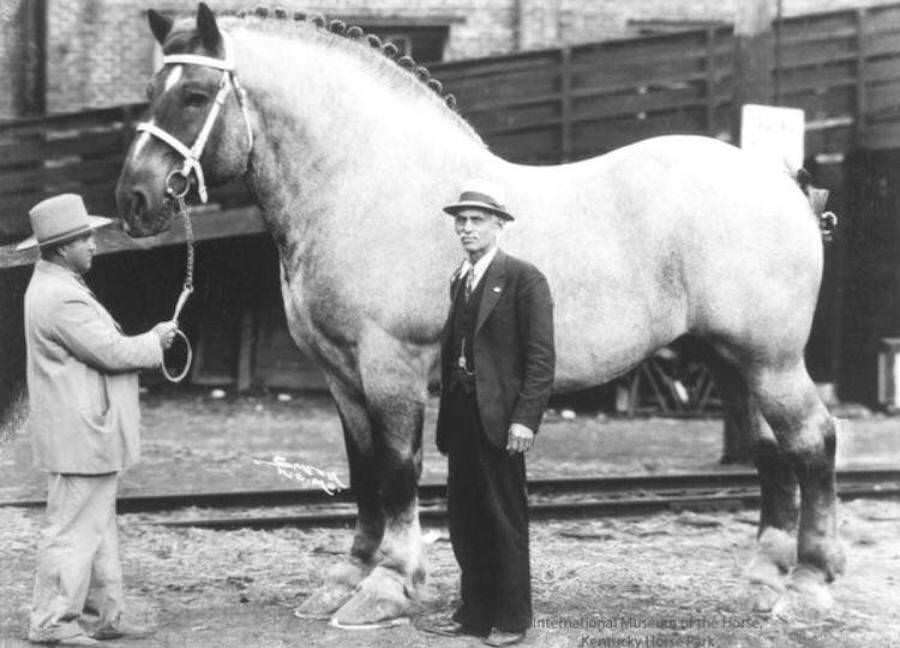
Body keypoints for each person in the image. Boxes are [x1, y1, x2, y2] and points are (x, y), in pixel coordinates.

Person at [17, 194, 177, 646]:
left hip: (84, 433)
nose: (94, 244)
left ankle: (105, 615)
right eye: (84, 237)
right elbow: (112, 352)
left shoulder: (58, 284)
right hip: (80, 434)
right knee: (72, 531)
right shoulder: (61, 297)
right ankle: (52, 623)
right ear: (62, 247)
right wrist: (155, 340)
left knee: (97, 529)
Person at [427, 182, 555, 646]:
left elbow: (541, 360)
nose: (466, 228)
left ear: (499, 226)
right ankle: (474, 613)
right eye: (460, 221)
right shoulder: (460, 278)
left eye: (476, 220)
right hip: (461, 416)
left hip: (502, 420)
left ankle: (513, 619)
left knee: (504, 517)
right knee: (465, 517)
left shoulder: (523, 278)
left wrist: (526, 419)